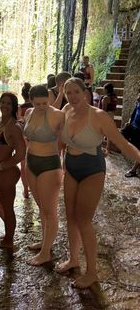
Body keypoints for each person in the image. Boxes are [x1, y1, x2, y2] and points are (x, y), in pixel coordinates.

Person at [57, 77, 140, 288]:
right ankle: (73, 258)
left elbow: (122, 143)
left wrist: (139, 157)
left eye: (76, 91)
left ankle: (92, 272)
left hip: (92, 170)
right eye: (69, 92)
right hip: (71, 168)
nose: (73, 96)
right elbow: (57, 138)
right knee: (70, 216)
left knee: (83, 220)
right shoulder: (66, 110)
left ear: (85, 92)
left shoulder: (99, 116)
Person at [23, 85, 64, 265]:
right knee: (41, 206)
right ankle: (44, 241)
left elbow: (71, 134)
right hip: (31, 162)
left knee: (50, 209)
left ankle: (46, 253)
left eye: (45, 103)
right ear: (31, 101)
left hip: (49, 164)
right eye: (38, 103)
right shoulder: (29, 112)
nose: (42, 107)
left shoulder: (56, 114)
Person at [0, 92, 26, 249]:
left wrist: (3, 165)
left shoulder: (14, 127)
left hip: (6, 170)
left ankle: (9, 240)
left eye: (8, 103)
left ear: (14, 106)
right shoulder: (1, 120)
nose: (4, 106)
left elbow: (22, 153)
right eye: (2, 103)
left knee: (8, 207)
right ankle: (9, 228)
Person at [18, 82, 33, 199]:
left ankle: (26, 190)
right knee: (32, 163)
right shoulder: (35, 108)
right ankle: (34, 187)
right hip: (33, 139)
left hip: (23, 139)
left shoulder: (20, 108)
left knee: (23, 164)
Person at [123, 90, 140, 177]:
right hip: (133, 128)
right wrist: (129, 122)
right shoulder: (138, 104)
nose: (138, 95)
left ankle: (133, 170)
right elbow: (133, 114)